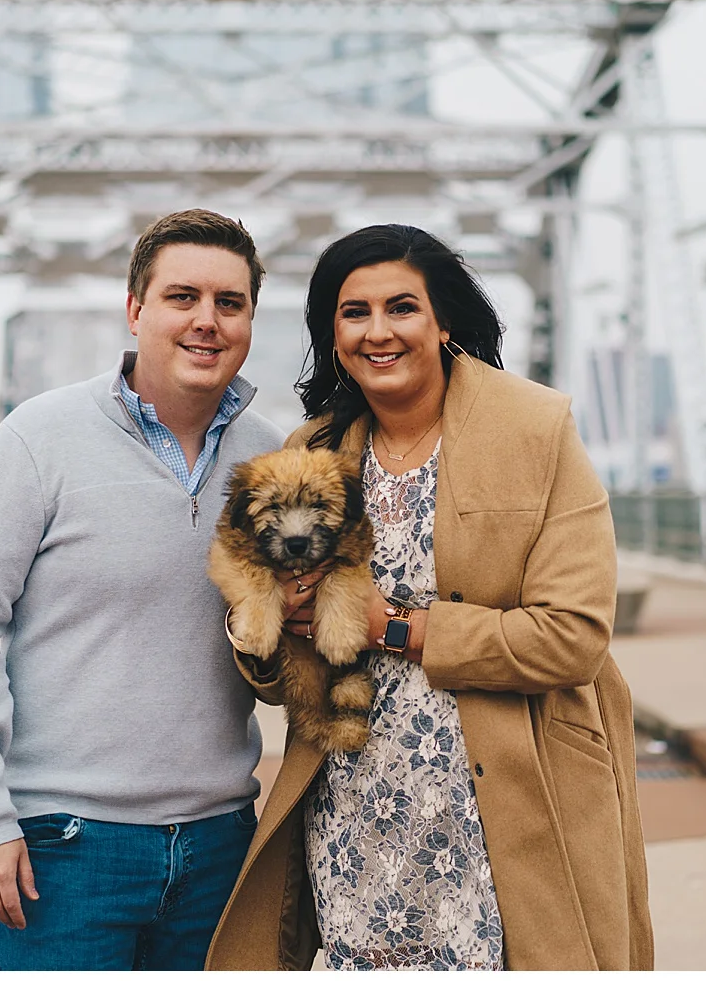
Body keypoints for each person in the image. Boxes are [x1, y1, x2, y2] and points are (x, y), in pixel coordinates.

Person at [205, 224, 654, 970]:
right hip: (355, 807)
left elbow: (573, 636)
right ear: (334, 334)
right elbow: (279, 669)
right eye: (354, 313)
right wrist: (265, 624)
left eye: (401, 308)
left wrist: (397, 629)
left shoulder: (535, 429)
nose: (378, 331)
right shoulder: (313, 450)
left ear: (442, 321)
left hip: (503, 804)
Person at [0, 209, 285, 971]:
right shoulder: (38, 438)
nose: (207, 321)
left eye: (230, 302)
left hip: (222, 840)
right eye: (182, 297)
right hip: (66, 847)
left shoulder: (270, 456)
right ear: (135, 309)